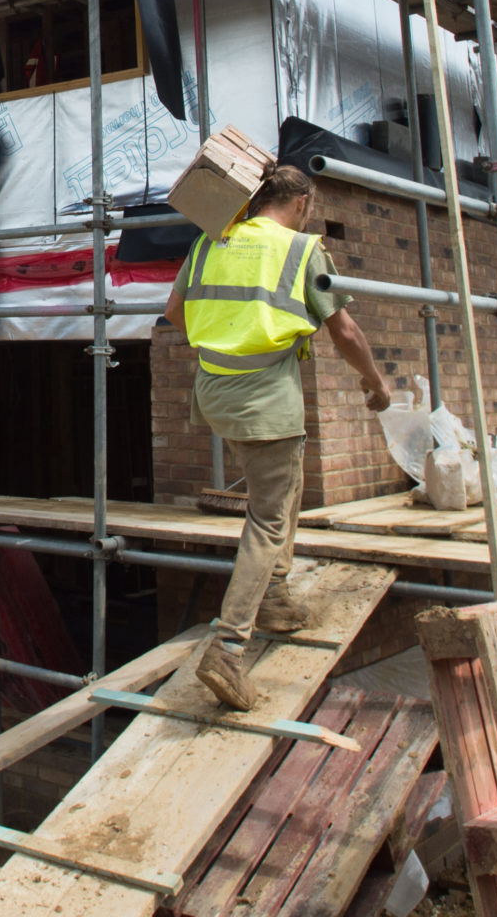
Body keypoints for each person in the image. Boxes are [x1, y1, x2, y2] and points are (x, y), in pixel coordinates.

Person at [165, 163, 390, 712]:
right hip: (265, 399)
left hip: (216, 391)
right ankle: (228, 646)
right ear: (303, 203)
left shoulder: (210, 243)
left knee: (288, 481)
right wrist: (375, 383)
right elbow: (345, 329)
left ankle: (279, 597)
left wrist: (228, 339)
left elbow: (174, 313)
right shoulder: (301, 249)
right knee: (267, 517)